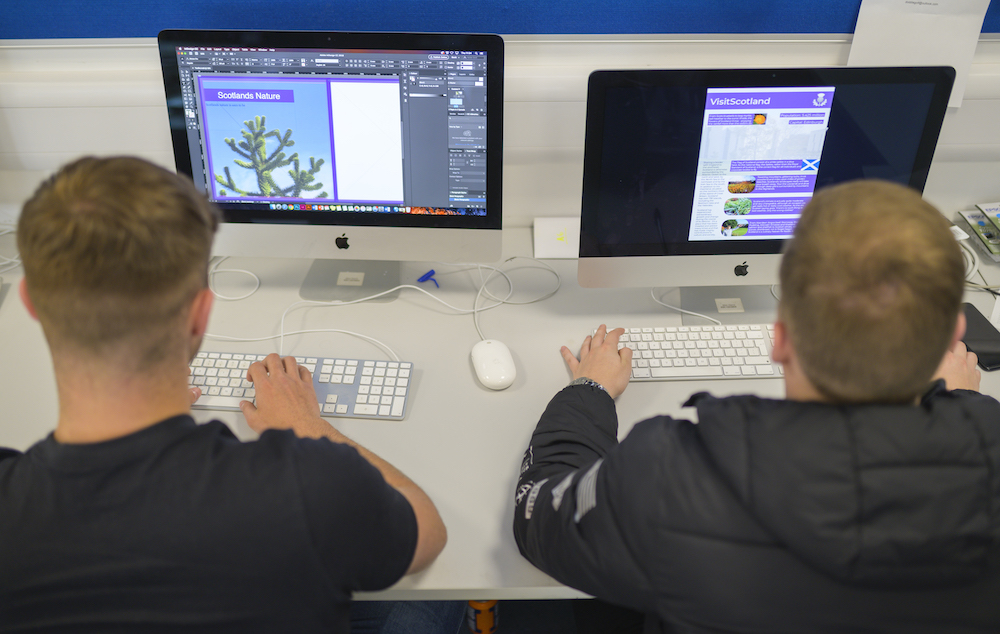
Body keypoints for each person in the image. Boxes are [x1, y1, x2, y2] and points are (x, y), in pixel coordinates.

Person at [513, 179, 1000, 633]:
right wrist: (966, 403)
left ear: (781, 340)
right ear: (953, 335)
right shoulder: (986, 433)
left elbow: (537, 517)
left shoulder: (669, 472)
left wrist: (589, 392)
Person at [0, 156, 455, 633]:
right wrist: (308, 427)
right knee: (437, 597)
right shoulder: (310, 489)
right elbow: (427, 530)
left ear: (29, 300)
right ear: (200, 313)